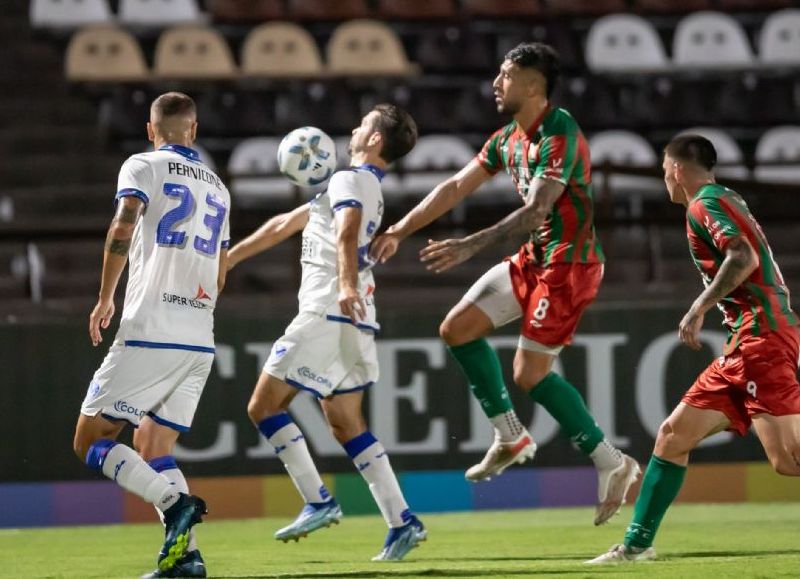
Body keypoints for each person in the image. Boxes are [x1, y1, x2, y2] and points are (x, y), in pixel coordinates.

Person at [370, 42, 639, 526]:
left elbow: (538, 209)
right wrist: (399, 229)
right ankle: (511, 435)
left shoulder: (560, 133)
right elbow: (452, 188)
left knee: (528, 375)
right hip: (533, 260)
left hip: (568, 266)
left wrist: (469, 245)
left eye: (507, 75)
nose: (496, 84)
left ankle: (611, 461)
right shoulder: (506, 139)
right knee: (457, 329)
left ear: (533, 85)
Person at [587, 134, 800, 564]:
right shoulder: (726, 197)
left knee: (788, 459)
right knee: (672, 436)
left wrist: (698, 307)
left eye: (665, 168)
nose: (663, 176)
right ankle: (636, 545)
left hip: (763, 339)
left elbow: (743, 258)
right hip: (746, 343)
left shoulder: (705, 204)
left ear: (677, 169)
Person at [227, 104, 426, 561]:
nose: (355, 127)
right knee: (346, 423)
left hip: (327, 311)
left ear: (375, 139)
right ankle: (402, 521)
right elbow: (285, 224)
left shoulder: (347, 180)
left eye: (364, 124)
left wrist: (346, 284)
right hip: (357, 319)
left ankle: (318, 500)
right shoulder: (358, 184)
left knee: (263, 406)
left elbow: (346, 231)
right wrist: (230, 258)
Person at [72, 92, 231, 578]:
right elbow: (220, 273)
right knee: (154, 445)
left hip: (151, 329)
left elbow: (124, 223)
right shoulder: (220, 188)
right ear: (194, 131)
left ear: (151, 129)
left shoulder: (142, 165)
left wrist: (105, 297)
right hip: (199, 336)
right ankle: (187, 559)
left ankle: (173, 502)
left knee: (90, 440)